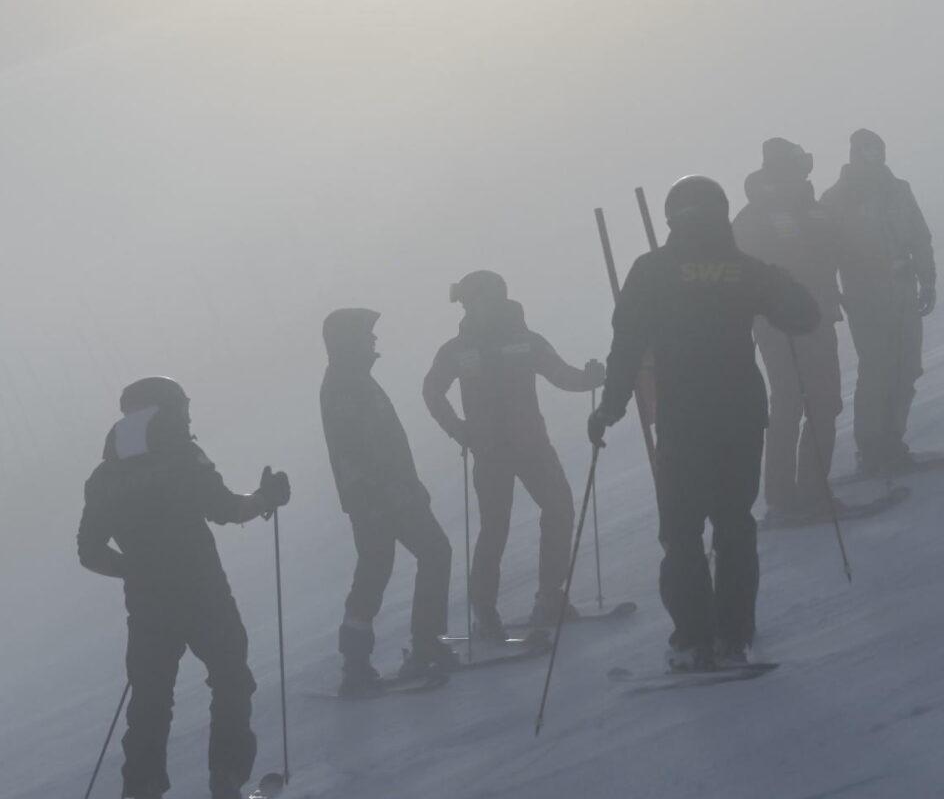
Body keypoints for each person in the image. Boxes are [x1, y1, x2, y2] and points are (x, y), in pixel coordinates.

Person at [590, 175, 820, 670]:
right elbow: (804, 317)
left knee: (681, 531)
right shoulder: (744, 270)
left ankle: (694, 637)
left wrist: (609, 408)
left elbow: (626, 345)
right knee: (735, 524)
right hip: (740, 412)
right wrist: (782, 280)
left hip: (683, 418)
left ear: (673, 218)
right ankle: (735, 634)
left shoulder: (653, 270)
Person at [76, 376, 288, 799]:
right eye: (183, 408)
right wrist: (265, 500)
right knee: (230, 678)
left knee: (151, 702)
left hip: (147, 604)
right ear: (164, 411)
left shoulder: (105, 477)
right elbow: (224, 509)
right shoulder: (181, 455)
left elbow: (88, 552)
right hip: (203, 591)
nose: (188, 417)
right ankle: (225, 784)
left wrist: (133, 570)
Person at [422, 270, 605, 640]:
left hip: (530, 444)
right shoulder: (460, 349)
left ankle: (549, 596)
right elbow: (431, 391)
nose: (476, 306)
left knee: (558, 509)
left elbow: (560, 374)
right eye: (472, 301)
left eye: (480, 298)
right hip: (492, 451)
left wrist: (588, 380)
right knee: (496, 527)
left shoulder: (521, 340)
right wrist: (459, 430)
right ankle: (486, 610)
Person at [318, 307, 457, 695]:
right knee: (427, 554)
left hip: (386, 494)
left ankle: (367, 660)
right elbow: (358, 450)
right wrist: (392, 489)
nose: (373, 342)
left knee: (377, 569)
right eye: (367, 335)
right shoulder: (346, 385)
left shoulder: (356, 379)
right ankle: (415, 649)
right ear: (348, 341)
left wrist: (407, 483)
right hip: (380, 498)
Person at [732, 138, 846, 517]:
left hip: (817, 316)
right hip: (779, 325)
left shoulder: (811, 209)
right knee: (792, 400)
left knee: (824, 399)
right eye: (798, 165)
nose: (805, 171)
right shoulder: (754, 219)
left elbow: (831, 251)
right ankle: (789, 497)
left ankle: (809, 490)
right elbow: (745, 275)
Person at [820, 128, 936, 471]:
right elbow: (827, 253)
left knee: (908, 366)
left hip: (903, 288)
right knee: (877, 368)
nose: (874, 157)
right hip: (866, 294)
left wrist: (927, 279)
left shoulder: (898, 190)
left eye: (878, 151)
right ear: (854, 154)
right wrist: (833, 293)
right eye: (867, 151)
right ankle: (871, 449)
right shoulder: (836, 200)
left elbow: (920, 236)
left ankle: (892, 441)